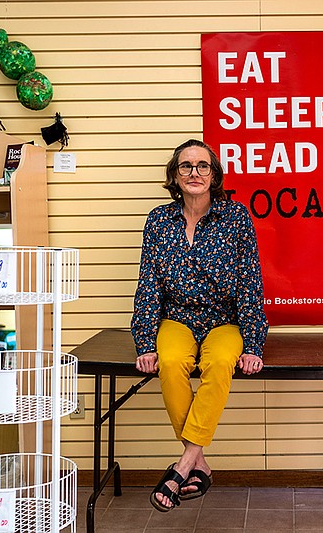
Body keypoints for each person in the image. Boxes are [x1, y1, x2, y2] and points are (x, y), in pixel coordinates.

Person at [131, 139, 268, 513]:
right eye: (186, 166)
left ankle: (184, 464)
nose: (194, 173)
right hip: (176, 318)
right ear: (174, 176)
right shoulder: (159, 220)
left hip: (225, 319)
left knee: (221, 362)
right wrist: (145, 342)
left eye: (202, 166)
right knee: (170, 361)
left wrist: (253, 344)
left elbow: (250, 283)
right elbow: (149, 283)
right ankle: (199, 461)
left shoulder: (236, 217)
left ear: (214, 174)